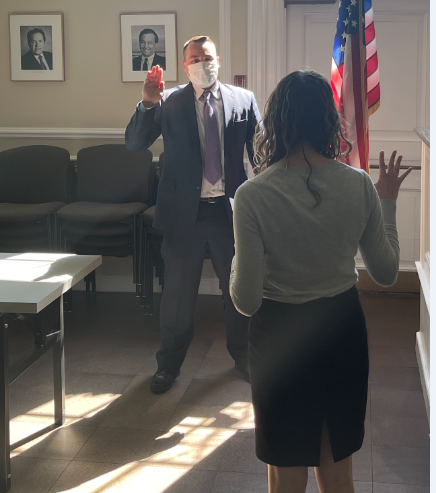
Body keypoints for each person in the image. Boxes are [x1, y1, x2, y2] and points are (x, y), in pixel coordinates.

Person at [229, 70, 412, 493]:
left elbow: (246, 300)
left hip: (278, 336)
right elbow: (386, 274)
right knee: (337, 474)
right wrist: (387, 203)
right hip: (340, 329)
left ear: (274, 123)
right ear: (329, 121)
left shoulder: (253, 196)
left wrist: (240, 246)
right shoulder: (359, 185)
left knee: (285, 474)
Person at [125, 35, 261, 393]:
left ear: (218, 59)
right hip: (184, 215)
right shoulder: (167, 102)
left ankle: (244, 356)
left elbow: (260, 152)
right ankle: (168, 364)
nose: (203, 62)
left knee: (238, 291)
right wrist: (147, 102)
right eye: (195, 58)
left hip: (229, 213)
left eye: (208, 56)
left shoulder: (243, 99)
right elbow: (135, 144)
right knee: (177, 295)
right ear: (185, 65)